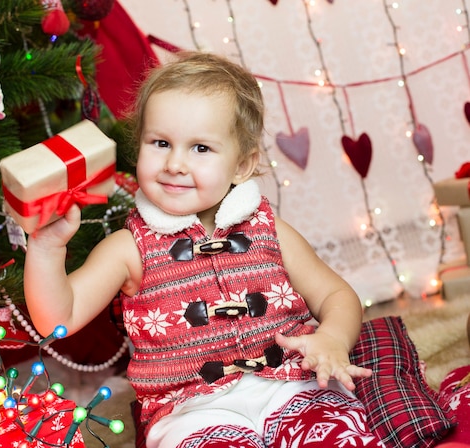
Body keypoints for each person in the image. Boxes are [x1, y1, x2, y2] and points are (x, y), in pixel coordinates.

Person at [24, 51, 383, 447]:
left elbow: (337, 294)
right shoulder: (129, 247)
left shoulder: (268, 229)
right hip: (191, 411)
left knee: (340, 434)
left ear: (242, 166)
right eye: (161, 143)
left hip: (292, 384)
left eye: (200, 149)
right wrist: (46, 246)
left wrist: (333, 338)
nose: (175, 163)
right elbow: (58, 318)